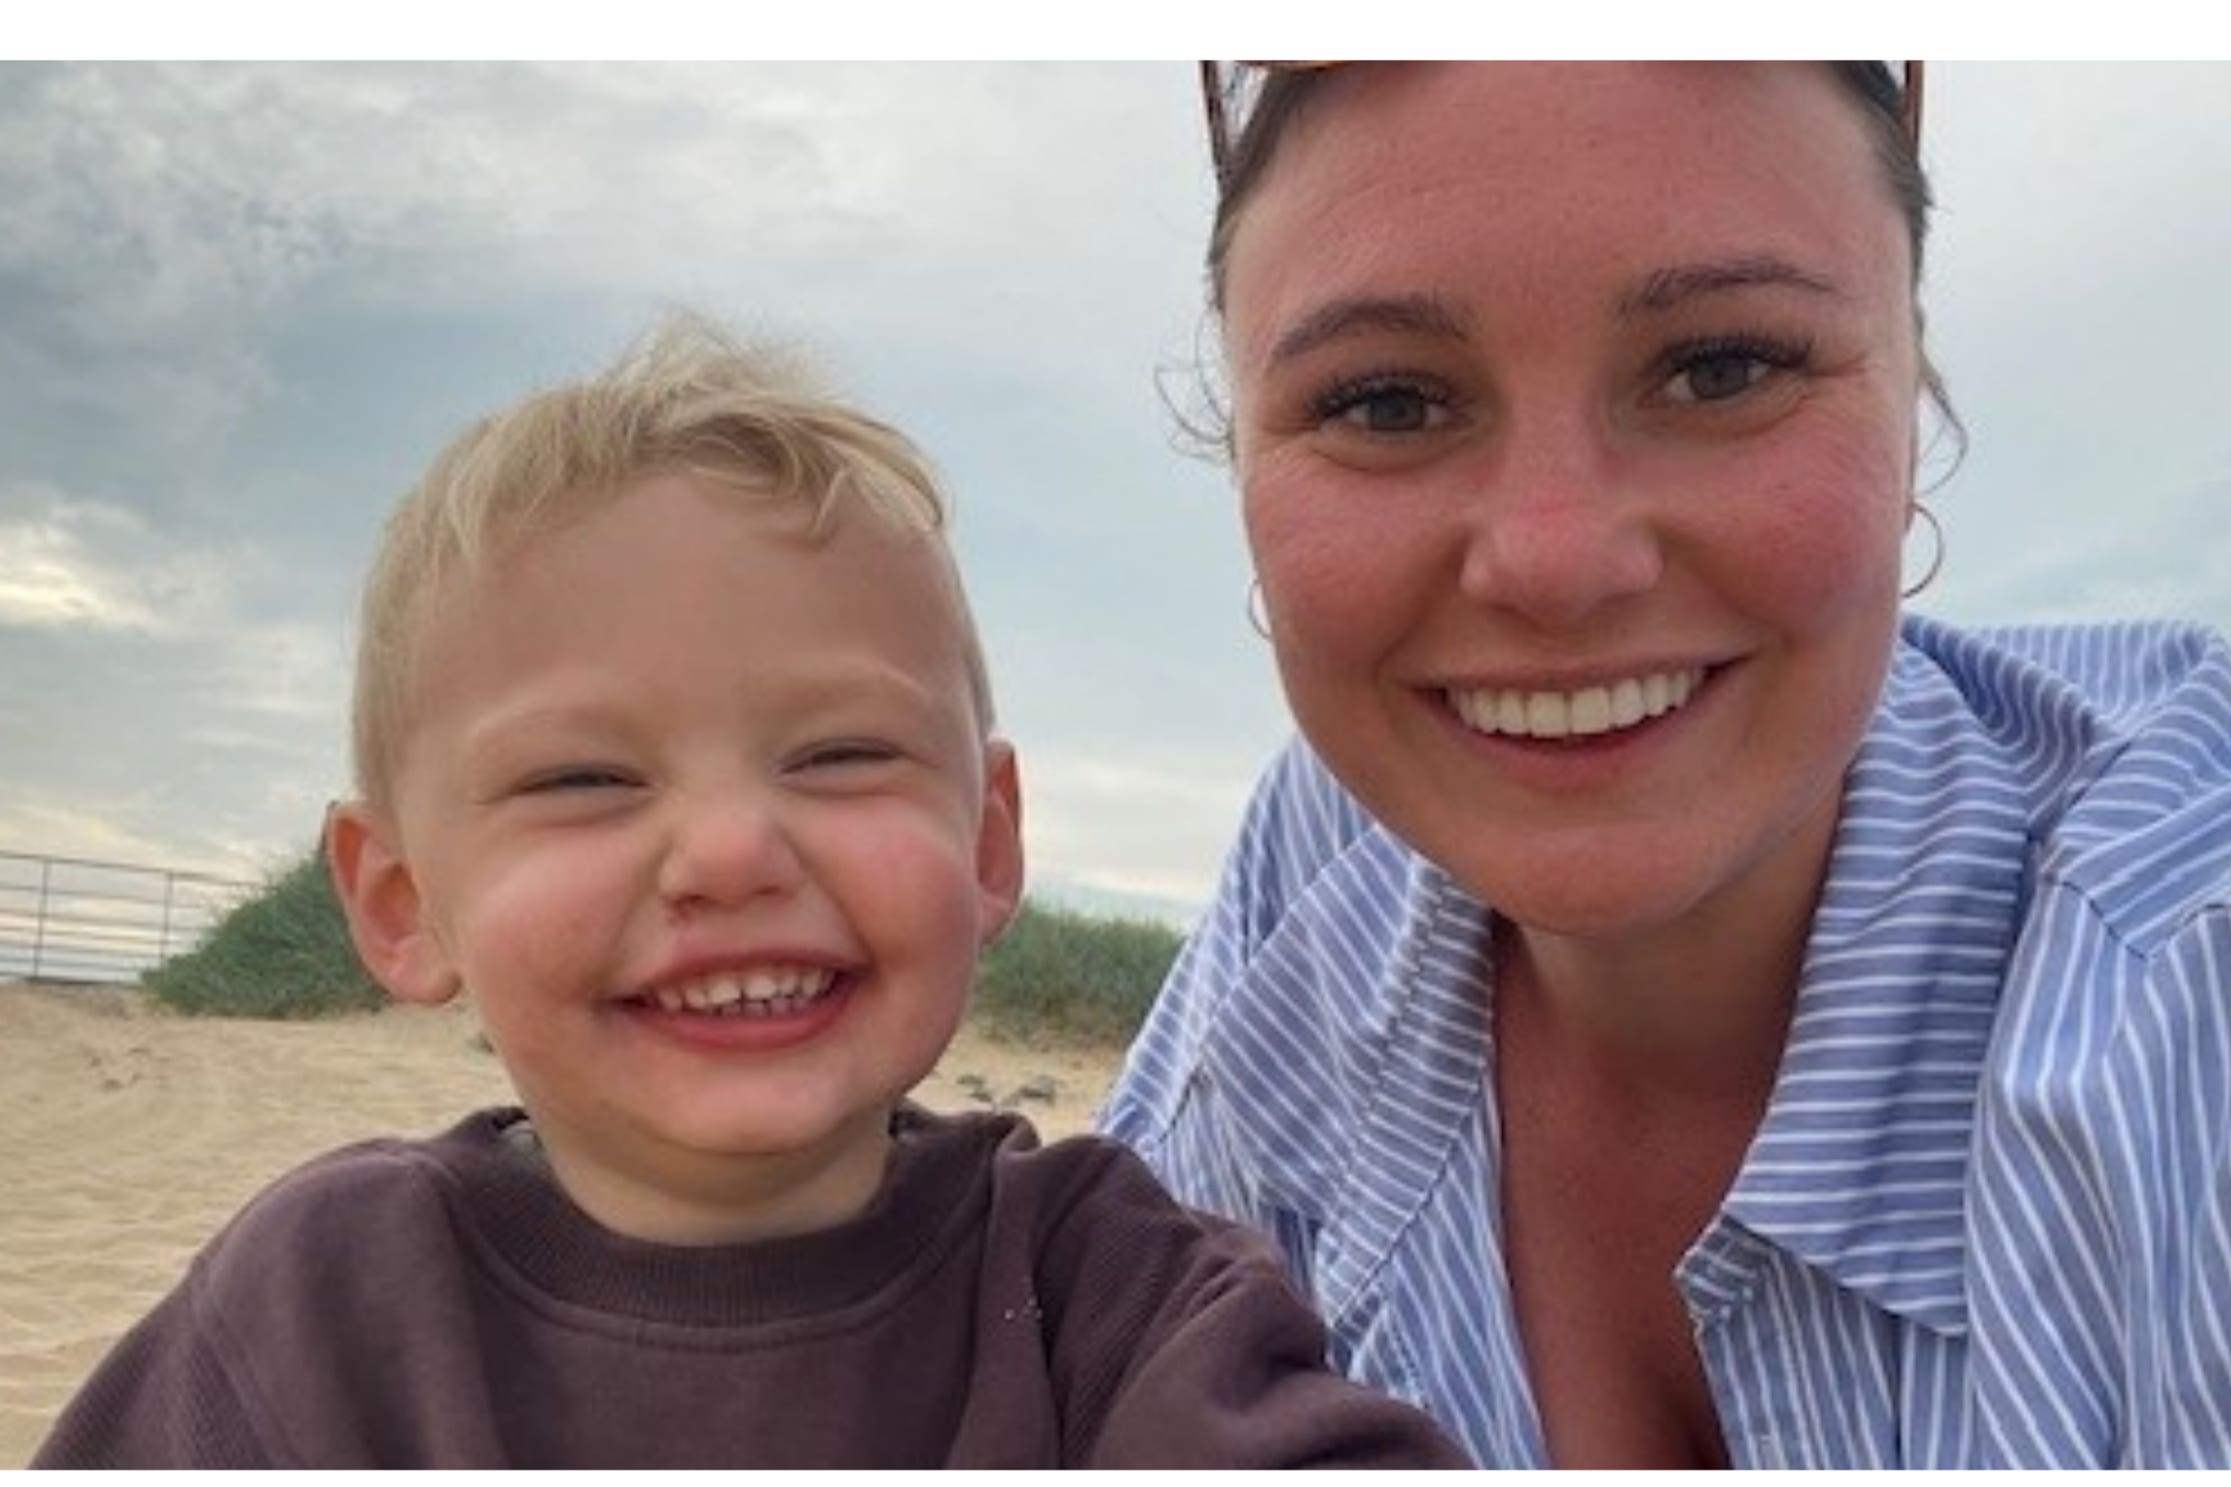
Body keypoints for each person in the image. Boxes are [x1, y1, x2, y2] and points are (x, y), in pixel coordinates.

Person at [33, 319, 1467, 1469]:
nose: (730, 853)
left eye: (842, 755)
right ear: (403, 904)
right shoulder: (325, 1309)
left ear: (986, 846)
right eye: (584, 780)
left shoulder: (1111, 1290)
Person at [1102, 61, 2231, 1470]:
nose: (1557, 563)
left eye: (1724, 367)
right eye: (1389, 403)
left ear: (1911, 387)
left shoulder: (2186, 953)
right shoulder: (1330, 856)